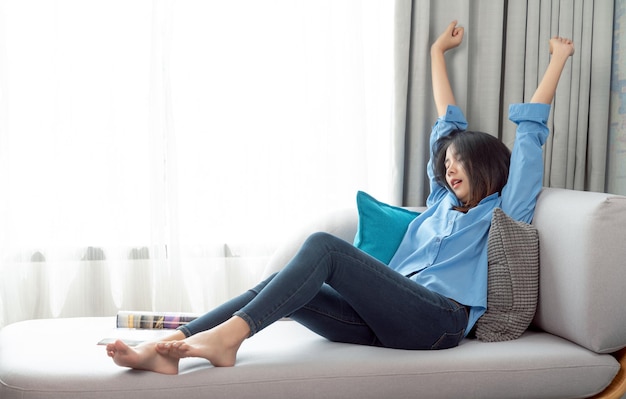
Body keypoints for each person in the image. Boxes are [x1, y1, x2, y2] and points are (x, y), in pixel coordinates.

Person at [106, 21, 574, 375]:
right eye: (446, 162)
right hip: (383, 320)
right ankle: (172, 349)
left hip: (439, 323)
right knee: (275, 285)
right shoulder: (439, 204)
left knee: (325, 247)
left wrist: (556, 61)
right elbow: (445, 124)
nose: (449, 167)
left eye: (459, 161)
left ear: (487, 165)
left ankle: (225, 341)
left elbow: (530, 136)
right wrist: (436, 52)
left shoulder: (503, 211)